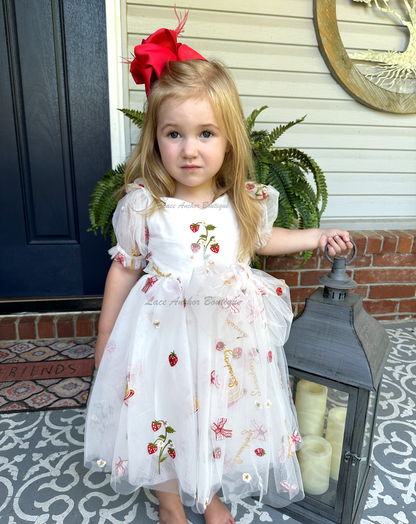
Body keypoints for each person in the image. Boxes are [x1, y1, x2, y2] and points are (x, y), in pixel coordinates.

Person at [84, 10, 353, 524]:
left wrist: (316, 236)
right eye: (174, 134)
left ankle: (206, 492)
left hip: (224, 342)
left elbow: (263, 238)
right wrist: (106, 334)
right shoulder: (145, 207)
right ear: (155, 140)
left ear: (228, 138)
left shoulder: (244, 201)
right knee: (162, 416)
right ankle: (169, 500)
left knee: (217, 415)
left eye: (206, 133)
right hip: (161, 340)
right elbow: (124, 268)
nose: (190, 150)